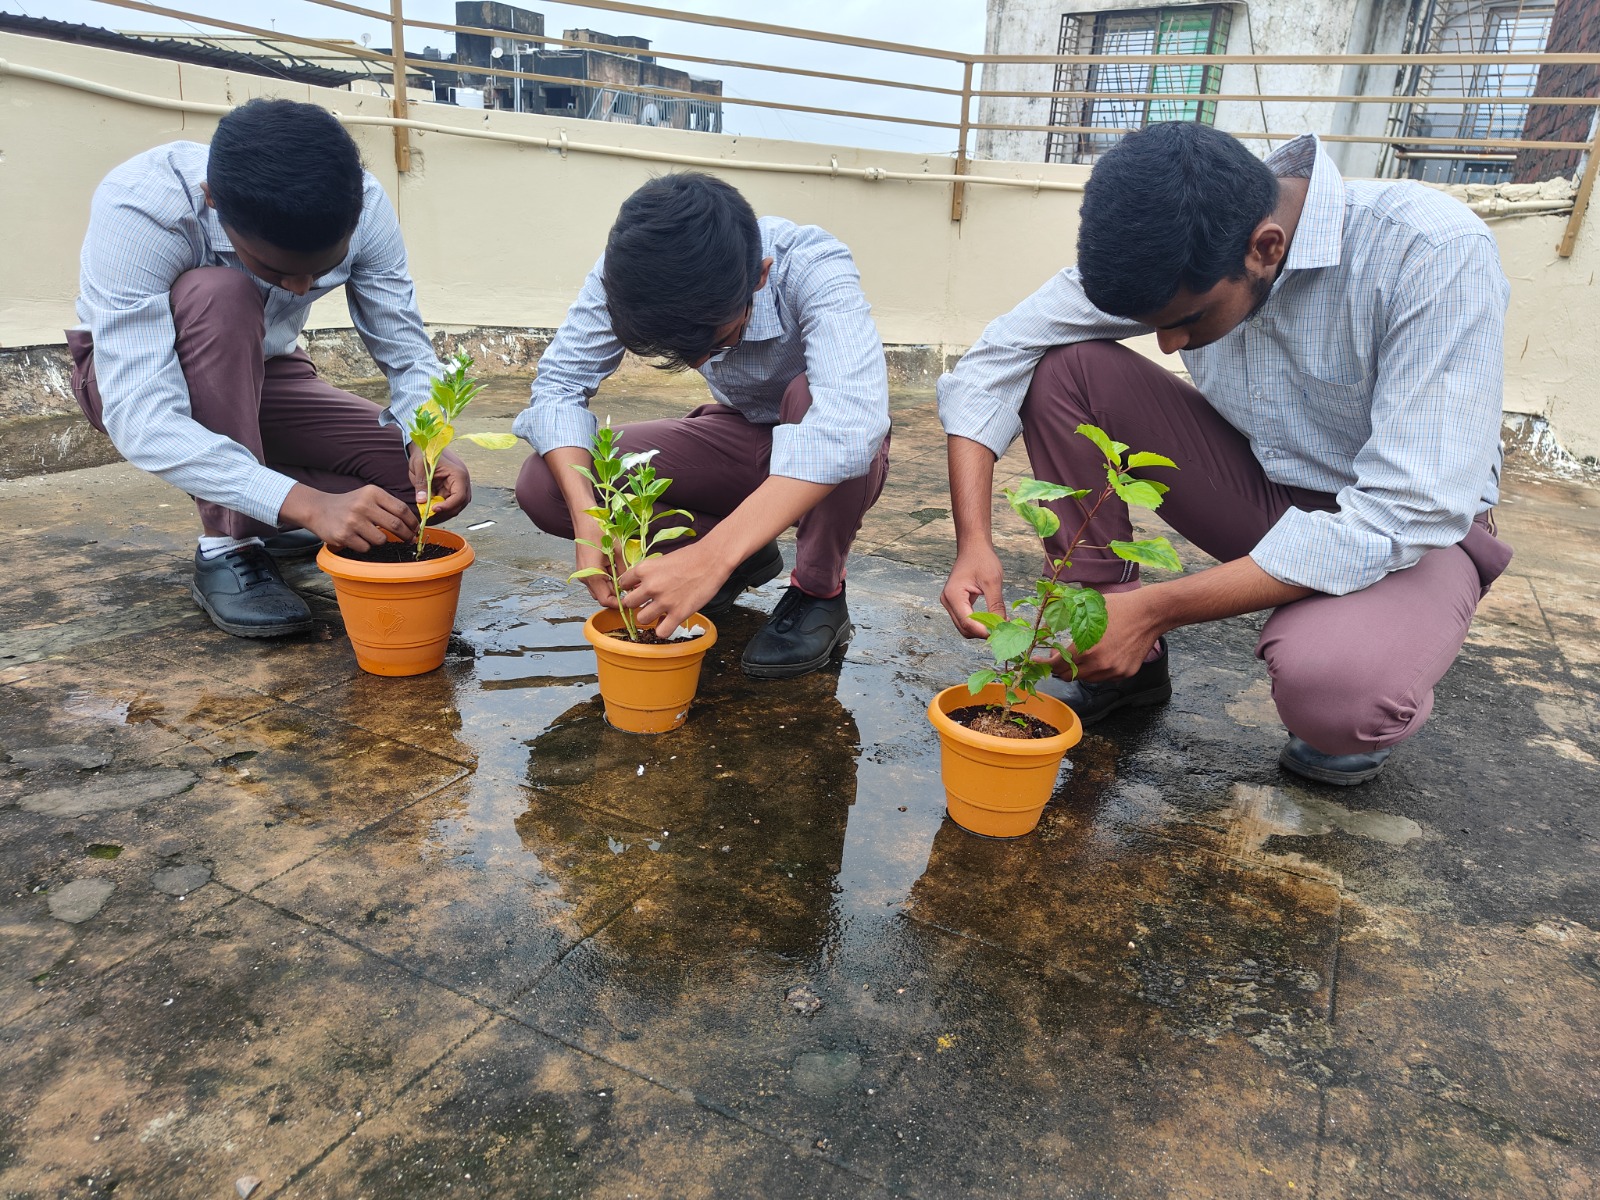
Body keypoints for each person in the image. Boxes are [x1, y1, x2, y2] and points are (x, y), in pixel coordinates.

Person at [937, 123, 1513, 785]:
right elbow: (996, 359)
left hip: (1413, 533)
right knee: (1064, 369)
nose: (1169, 345)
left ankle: (1342, 665)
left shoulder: (1429, 250)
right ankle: (1116, 653)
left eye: (1188, 321)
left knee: (1336, 692)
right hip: (1264, 489)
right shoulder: (1181, 240)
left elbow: (1406, 511)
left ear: (1266, 248)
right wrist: (974, 541)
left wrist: (1159, 606)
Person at [69, 98, 470, 638]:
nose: (301, 290)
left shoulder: (363, 203)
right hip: (130, 379)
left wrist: (427, 437)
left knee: (412, 499)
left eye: (321, 271)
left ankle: (267, 513)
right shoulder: (143, 206)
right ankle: (230, 544)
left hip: (269, 373)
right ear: (213, 201)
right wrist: (307, 502)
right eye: (276, 270)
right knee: (221, 294)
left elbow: (407, 351)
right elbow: (141, 416)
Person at [514, 172, 891, 679]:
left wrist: (711, 556)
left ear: (759, 277)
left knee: (811, 397)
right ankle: (744, 555)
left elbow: (849, 426)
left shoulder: (811, 265)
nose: (700, 364)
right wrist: (589, 518)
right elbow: (558, 386)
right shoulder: (633, 271)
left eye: (720, 341)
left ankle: (817, 592)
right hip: (740, 437)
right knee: (546, 483)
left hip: (822, 449)